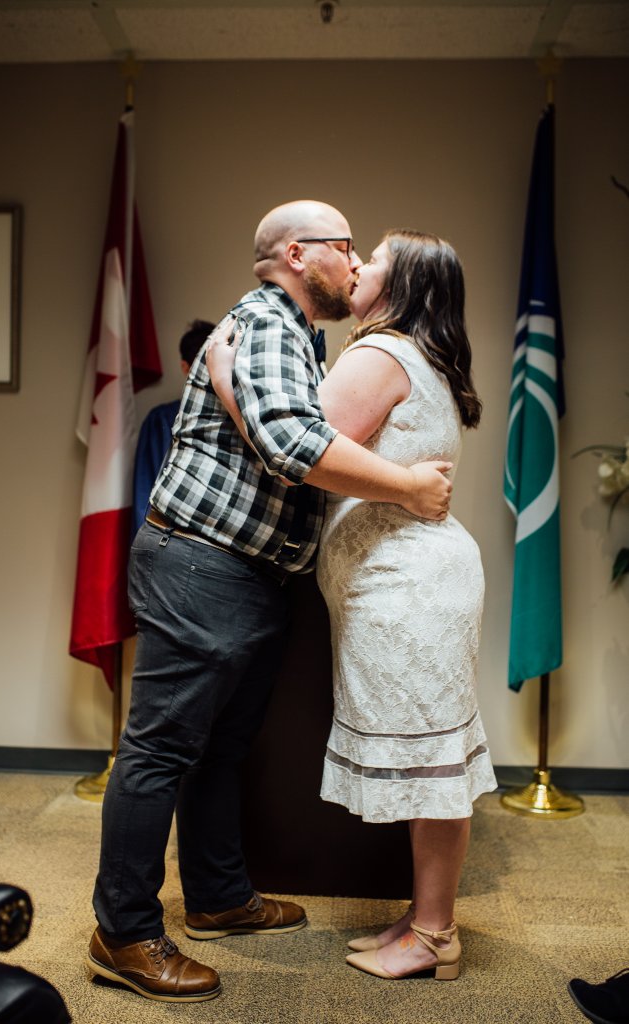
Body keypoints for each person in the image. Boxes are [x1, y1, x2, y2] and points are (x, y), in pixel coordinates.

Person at [88, 201, 453, 1005]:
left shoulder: (299, 334)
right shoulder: (261, 321)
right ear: (298, 253)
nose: (355, 264)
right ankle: (122, 931)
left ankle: (216, 897)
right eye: (345, 247)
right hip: (199, 563)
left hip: (245, 572)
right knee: (158, 750)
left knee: (221, 750)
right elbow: (293, 447)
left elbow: (279, 431)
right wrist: (411, 487)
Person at [209, 228, 497, 983]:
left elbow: (298, 455)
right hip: (413, 580)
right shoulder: (413, 354)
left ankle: (434, 935)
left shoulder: (379, 354)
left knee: (430, 761)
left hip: (406, 587)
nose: (357, 266)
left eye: (372, 260)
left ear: (398, 288)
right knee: (426, 753)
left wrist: (226, 384)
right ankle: (425, 916)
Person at [132, 319, 214, 536]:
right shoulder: (161, 421)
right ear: (185, 367)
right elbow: (145, 496)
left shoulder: (244, 420)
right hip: (170, 540)